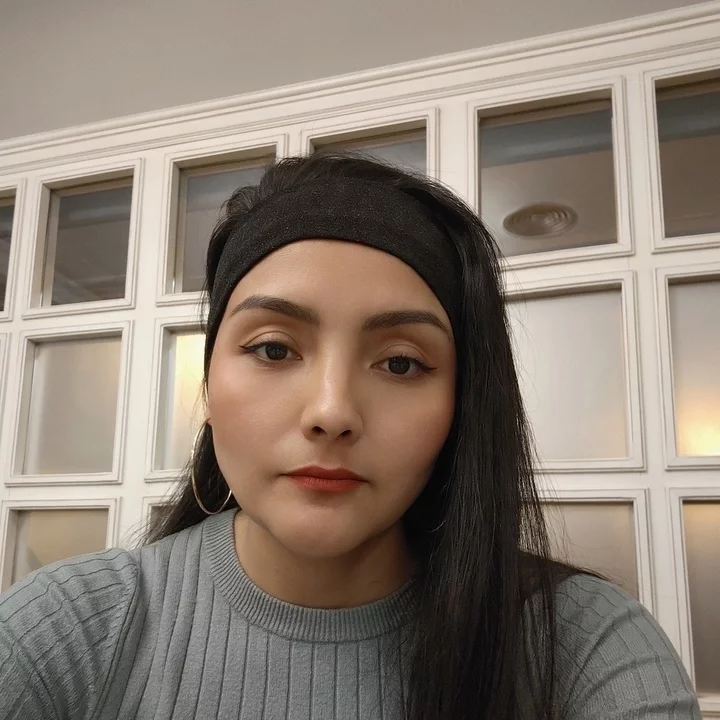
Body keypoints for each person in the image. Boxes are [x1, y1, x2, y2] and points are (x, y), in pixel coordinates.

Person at [0, 153, 700, 720]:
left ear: (460, 406)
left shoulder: (583, 647)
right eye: (274, 349)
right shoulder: (66, 632)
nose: (332, 412)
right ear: (209, 386)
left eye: (400, 363)